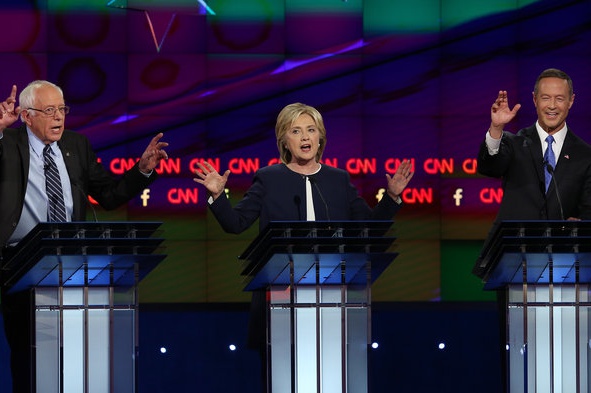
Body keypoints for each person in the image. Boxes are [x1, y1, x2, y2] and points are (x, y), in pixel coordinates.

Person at [193, 102, 413, 392]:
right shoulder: (269, 178)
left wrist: (392, 198)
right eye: (296, 131)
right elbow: (236, 223)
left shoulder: (338, 179)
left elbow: (368, 230)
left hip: (332, 300)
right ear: (285, 139)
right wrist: (218, 197)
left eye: (311, 130)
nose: (305, 137)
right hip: (279, 301)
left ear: (321, 137)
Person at [0, 80, 169, 392]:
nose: (59, 117)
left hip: (73, 264)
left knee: (74, 354)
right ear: (26, 116)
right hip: (20, 264)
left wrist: (142, 170)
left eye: (62, 109)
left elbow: (108, 194)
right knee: (29, 356)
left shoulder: (76, 146)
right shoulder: (8, 144)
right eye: (49, 111)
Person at [475, 68, 591, 392]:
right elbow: (489, 165)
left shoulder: (585, 155)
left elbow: (589, 212)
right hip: (514, 267)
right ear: (534, 101)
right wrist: (496, 129)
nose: (552, 105)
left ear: (571, 102)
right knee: (516, 358)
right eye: (545, 98)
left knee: (562, 356)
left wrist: (579, 227)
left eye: (559, 98)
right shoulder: (514, 142)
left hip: (566, 271)